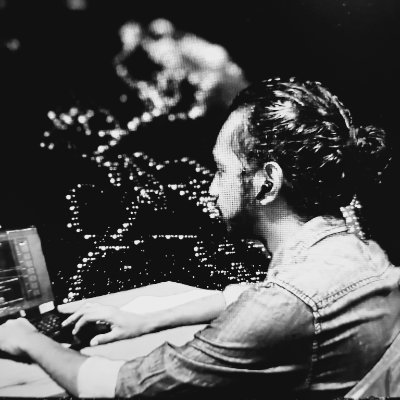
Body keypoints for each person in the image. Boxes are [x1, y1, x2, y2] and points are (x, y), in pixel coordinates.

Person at [0, 78, 399, 399]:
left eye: (222, 171)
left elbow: (123, 388)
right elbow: (246, 295)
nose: (211, 189)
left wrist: (29, 340)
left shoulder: (285, 304)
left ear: (267, 183)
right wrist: (145, 319)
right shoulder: (361, 254)